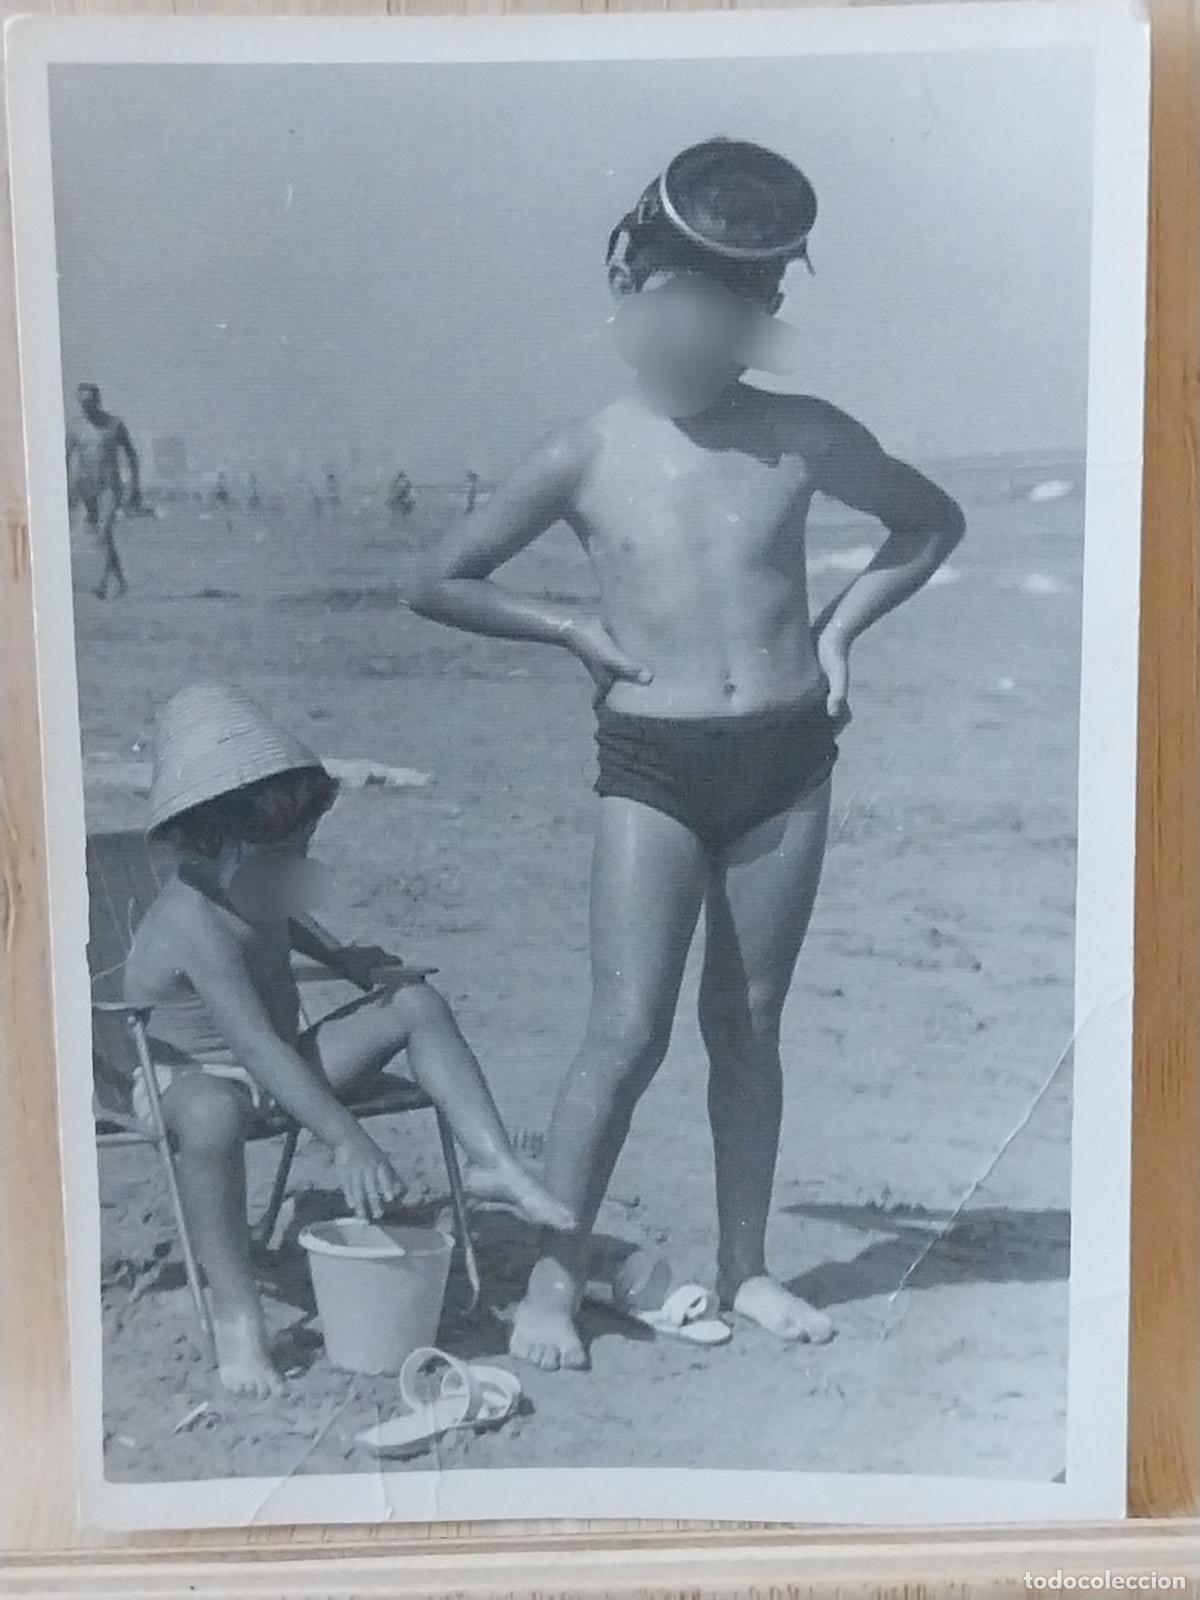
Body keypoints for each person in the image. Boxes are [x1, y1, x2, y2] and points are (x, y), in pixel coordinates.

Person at [409, 138, 965, 1371]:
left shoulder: (804, 433)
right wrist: (567, 629)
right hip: (652, 765)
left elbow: (931, 521)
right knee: (625, 1029)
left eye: (723, 324)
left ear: (757, 319)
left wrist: (842, 634)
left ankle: (747, 1265)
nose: (690, 351)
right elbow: (438, 580)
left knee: (750, 1025)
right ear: (633, 297)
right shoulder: (585, 450)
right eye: (668, 320)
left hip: (789, 753)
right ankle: (552, 1286)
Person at [125, 681, 575, 1397]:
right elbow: (255, 1049)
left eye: (300, 853)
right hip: (190, 1079)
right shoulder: (189, 919)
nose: (291, 872)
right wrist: (345, 1138)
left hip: (279, 1067)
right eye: (274, 860)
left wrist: (344, 960)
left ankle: (496, 1165)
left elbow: (284, 916)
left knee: (414, 1003)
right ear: (201, 846)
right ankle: (240, 1314)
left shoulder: (247, 883)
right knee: (211, 1115)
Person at [66, 382, 141, 599]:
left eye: (90, 402)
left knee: (102, 532)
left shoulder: (114, 425)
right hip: (86, 486)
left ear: (98, 401)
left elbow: (132, 455)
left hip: (110, 486)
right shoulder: (75, 427)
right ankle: (120, 581)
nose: (86, 406)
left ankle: (103, 584)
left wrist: (135, 486)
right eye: (83, 402)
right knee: (104, 536)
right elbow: (65, 457)